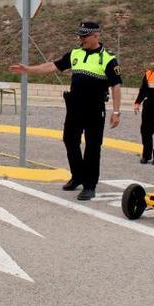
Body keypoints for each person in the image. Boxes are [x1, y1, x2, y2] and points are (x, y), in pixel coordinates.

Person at [9, 21, 122, 201]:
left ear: (96, 36)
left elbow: (116, 86)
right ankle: (77, 176)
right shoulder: (75, 54)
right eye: (80, 35)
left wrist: (116, 112)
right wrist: (28, 70)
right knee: (69, 140)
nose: (81, 39)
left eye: (84, 36)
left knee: (93, 147)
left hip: (94, 109)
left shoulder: (108, 58)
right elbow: (52, 66)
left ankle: (90, 185)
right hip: (75, 107)